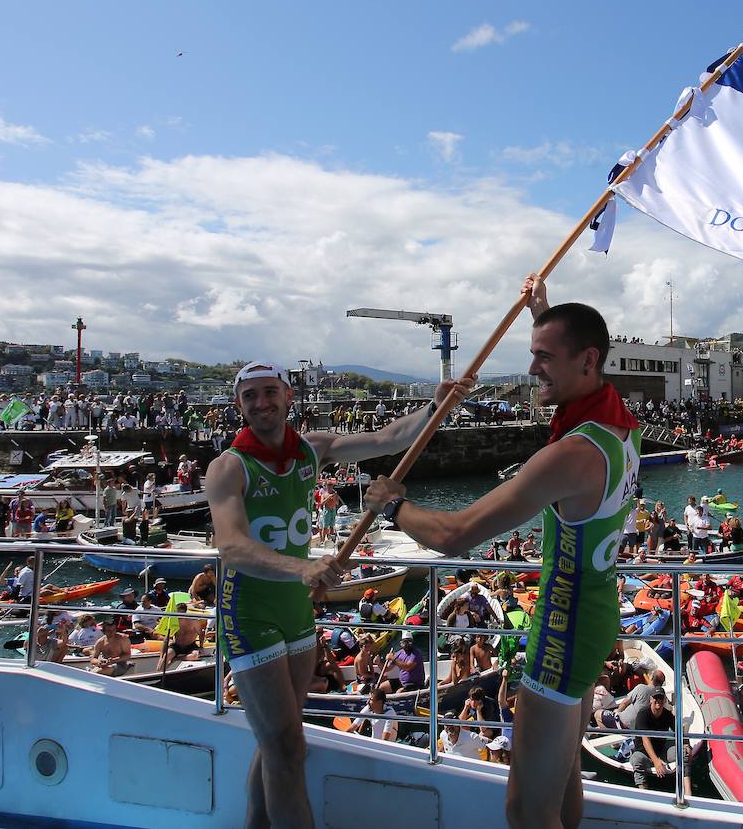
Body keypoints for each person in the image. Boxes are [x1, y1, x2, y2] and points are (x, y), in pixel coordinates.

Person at [364, 278, 639, 828]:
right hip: (591, 615)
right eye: (531, 354)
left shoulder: (574, 454)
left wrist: (392, 506)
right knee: (561, 782)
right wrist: (544, 311)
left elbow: (454, 535)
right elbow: (573, 385)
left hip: (563, 629)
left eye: (543, 357)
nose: (533, 369)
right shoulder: (615, 427)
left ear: (588, 361)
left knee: (526, 812)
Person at [207, 360, 468, 828]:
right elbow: (231, 546)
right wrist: (303, 567)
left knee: (276, 743)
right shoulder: (228, 467)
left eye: (270, 392)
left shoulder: (313, 449)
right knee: (288, 745)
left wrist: (435, 405)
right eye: (250, 396)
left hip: (296, 611)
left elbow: (388, 439)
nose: (262, 403)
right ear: (239, 405)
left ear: (289, 396)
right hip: (249, 611)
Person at [628, 688, 691, 796]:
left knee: (683, 753)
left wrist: (686, 744)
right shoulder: (643, 714)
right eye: (656, 697)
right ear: (651, 699)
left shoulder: (667, 715)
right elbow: (645, 740)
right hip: (644, 752)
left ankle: (688, 792)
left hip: (661, 750)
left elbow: (678, 731)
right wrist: (656, 761)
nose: (658, 700)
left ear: (665, 700)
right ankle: (643, 792)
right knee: (636, 759)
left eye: (661, 697)